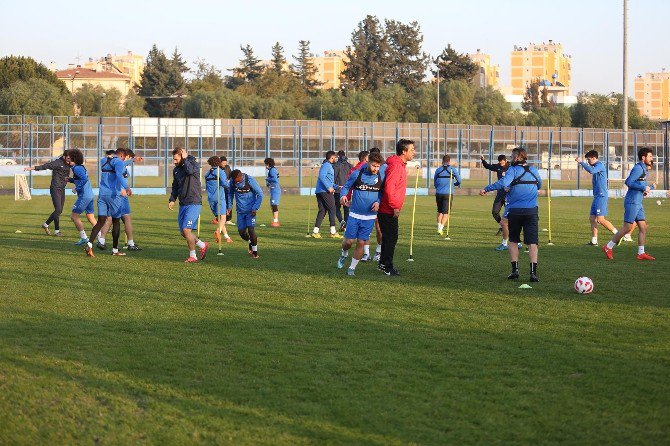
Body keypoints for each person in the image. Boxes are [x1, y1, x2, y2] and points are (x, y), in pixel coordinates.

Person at [480, 147, 541, 282]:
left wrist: (487, 189)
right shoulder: (534, 170)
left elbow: (503, 183)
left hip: (515, 211)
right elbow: (539, 185)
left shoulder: (512, 170)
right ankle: (533, 273)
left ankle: (515, 271)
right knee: (532, 242)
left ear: (518, 157)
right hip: (531, 210)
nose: (510, 158)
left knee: (513, 240)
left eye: (512, 156)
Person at [603, 147, 656, 261]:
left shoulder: (644, 169)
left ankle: (641, 253)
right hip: (632, 202)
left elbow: (639, 185)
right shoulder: (638, 168)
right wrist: (643, 187)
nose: (652, 158)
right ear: (643, 157)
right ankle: (608, 246)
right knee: (627, 227)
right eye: (650, 156)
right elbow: (628, 182)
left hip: (638, 202)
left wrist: (645, 190)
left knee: (643, 227)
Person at [337, 152, 385, 276]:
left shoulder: (381, 176)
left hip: (369, 216)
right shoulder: (357, 173)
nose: (376, 169)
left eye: (378, 166)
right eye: (374, 166)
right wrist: (343, 196)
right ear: (368, 162)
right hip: (354, 214)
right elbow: (346, 186)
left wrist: (379, 202)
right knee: (348, 242)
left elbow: (382, 193)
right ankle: (344, 254)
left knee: (361, 242)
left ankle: (352, 268)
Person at [378, 139, 415, 276]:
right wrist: (394, 206)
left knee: (389, 237)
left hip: (388, 208)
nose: (414, 152)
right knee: (391, 237)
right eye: (411, 150)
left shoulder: (399, 165)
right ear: (403, 151)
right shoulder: (396, 166)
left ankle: (382, 264)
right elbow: (389, 188)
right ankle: (388, 267)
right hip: (388, 208)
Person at [83, 148, 129, 257]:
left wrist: (131, 160)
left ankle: (89, 245)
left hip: (102, 194)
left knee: (101, 221)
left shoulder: (103, 160)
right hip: (114, 195)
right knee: (116, 221)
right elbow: (119, 175)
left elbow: (114, 163)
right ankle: (115, 250)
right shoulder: (118, 162)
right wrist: (127, 187)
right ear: (120, 155)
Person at [168, 147, 209, 262]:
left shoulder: (193, 164)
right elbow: (175, 186)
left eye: (176, 159)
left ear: (183, 156)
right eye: (173, 159)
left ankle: (193, 256)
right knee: (184, 233)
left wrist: (186, 159)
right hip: (183, 203)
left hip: (194, 202)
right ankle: (202, 245)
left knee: (186, 230)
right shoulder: (176, 170)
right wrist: (172, 199)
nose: (174, 162)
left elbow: (190, 171)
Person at [98, 149, 143, 251]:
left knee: (109, 219)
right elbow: (119, 176)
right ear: (123, 156)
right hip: (119, 195)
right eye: (128, 157)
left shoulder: (111, 162)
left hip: (109, 194)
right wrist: (125, 188)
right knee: (126, 218)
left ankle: (101, 240)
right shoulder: (119, 164)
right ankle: (130, 244)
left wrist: (133, 160)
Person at [575, 150, 619, 246]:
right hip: (596, 196)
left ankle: (618, 234)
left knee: (600, 219)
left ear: (594, 158)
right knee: (592, 218)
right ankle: (594, 241)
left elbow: (591, 171)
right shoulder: (595, 166)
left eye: (589, 159)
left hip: (601, 195)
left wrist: (581, 162)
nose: (588, 161)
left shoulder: (599, 165)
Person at [24, 150, 71, 236]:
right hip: (55, 188)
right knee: (58, 210)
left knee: (59, 211)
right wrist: (32, 168)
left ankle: (46, 225)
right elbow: (45, 166)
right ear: (64, 156)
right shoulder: (57, 162)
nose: (69, 159)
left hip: (62, 188)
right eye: (68, 157)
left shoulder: (69, 163)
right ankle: (56, 231)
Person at [65, 148, 102, 246]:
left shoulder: (77, 168)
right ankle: (100, 238)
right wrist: (71, 180)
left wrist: (76, 188)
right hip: (89, 195)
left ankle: (84, 238)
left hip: (84, 196)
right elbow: (80, 178)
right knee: (91, 217)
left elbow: (84, 179)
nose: (66, 159)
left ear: (73, 158)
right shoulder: (79, 167)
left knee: (74, 216)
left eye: (68, 158)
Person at [228, 169, 264, 259]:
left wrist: (255, 208)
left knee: (251, 230)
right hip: (240, 211)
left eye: (236, 180)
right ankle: (250, 242)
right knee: (242, 233)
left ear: (240, 177)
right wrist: (229, 205)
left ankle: (255, 252)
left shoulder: (250, 180)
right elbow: (230, 193)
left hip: (251, 211)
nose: (235, 182)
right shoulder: (233, 181)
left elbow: (260, 194)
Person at [311, 151, 343, 239]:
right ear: (332, 157)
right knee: (333, 208)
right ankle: (333, 232)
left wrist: (337, 186)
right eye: (335, 157)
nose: (336, 159)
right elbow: (321, 176)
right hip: (325, 191)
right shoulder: (327, 165)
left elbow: (329, 180)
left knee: (322, 210)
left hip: (320, 191)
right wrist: (329, 187)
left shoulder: (327, 165)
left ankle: (315, 231)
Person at [205, 156, 232, 245]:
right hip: (219, 197)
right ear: (219, 162)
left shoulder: (207, 173)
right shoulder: (220, 172)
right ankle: (217, 231)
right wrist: (230, 185)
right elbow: (225, 184)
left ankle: (227, 237)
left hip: (210, 199)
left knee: (220, 219)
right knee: (223, 218)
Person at [433, 155, 462, 236]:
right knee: (446, 212)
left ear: (442, 161)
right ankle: (441, 229)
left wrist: (438, 187)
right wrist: (454, 184)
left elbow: (435, 182)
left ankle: (439, 227)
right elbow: (459, 180)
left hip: (438, 193)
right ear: (449, 161)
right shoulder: (453, 170)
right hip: (448, 194)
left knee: (439, 211)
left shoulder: (438, 170)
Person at [481, 154, 509, 236]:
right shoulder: (497, 166)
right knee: (495, 212)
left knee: (510, 214)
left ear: (506, 160)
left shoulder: (511, 167)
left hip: (509, 194)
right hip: (500, 193)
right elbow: (487, 166)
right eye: (500, 163)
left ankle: (507, 229)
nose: (501, 164)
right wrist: (483, 160)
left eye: (503, 163)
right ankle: (502, 226)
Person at [333, 150, 353, 231]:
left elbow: (333, 177)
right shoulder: (350, 165)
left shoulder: (336, 165)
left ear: (338, 156)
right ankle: (346, 226)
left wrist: (335, 186)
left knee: (336, 208)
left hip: (338, 189)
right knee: (346, 208)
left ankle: (342, 221)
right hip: (347, 190)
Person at [264, 157, 281, 227]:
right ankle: (276, 220)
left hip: (275, 189)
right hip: (273, 189)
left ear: (268, 164)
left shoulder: (272, 170)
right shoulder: (272, 170)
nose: (265, 166)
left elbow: (274, 179)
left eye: (266, 164)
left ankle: (276, 222)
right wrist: (268, 183)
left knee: (274, 205)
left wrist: (267, 179)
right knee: (272, 205)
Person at [218, 156, 234, 225]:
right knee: (221, 203)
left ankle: (228, 219)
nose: (224, 164)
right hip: (221, 189)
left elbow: (230, 175)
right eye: (223, 163)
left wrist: (229, 179)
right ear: (220, 162)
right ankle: (220, 218)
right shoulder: (217, 169)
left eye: (225, 163)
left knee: (229, 202)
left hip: (228, 188)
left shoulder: (227, 167)